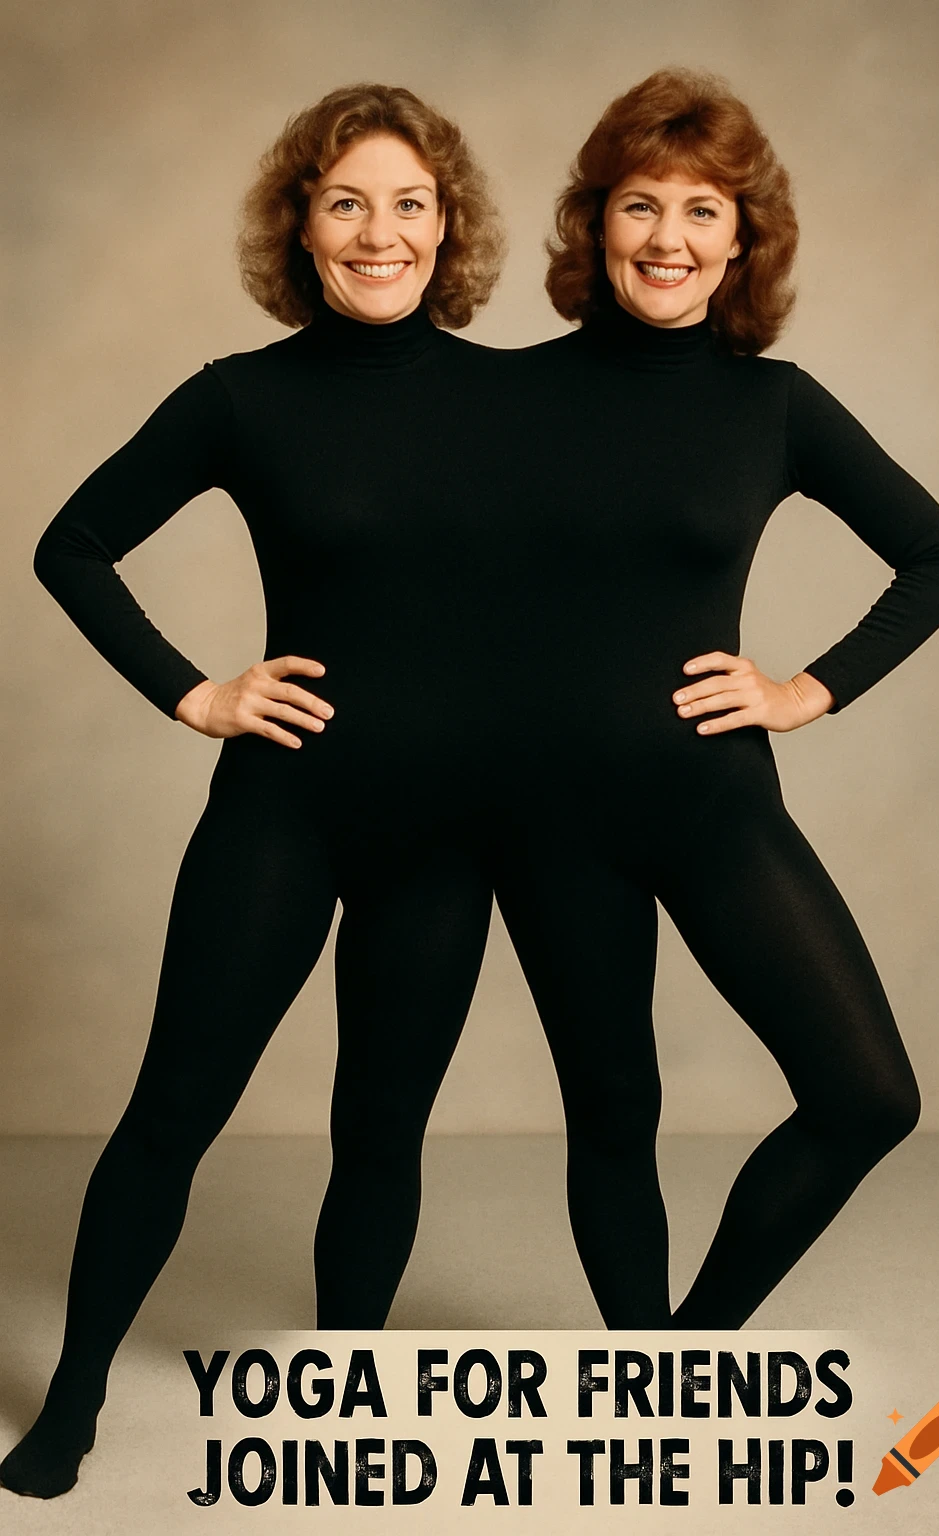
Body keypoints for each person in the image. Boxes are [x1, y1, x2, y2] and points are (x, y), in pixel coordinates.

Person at [0, 82, 506, 1500]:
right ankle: (76, 1403)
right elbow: (74, 542)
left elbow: (595, 579)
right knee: (172, 1112)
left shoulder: (515, 395)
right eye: (347, 199)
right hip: (280, 815)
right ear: (301, 221)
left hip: (448, 839)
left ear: (447, 222)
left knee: (380, 1130)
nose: (380, 231)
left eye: (409, 202)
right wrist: (195, 691)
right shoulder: (243, 398)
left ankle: (346, 1402)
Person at [490, 66, 939, 1329]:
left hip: (709, 801)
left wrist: (808, 690)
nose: (669, 239)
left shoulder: (774, 406)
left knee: (866, 1094)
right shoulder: (502, 398)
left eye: (704, 211)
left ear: (743, 239)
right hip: (543, 818)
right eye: (642, 205)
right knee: (612, 1113)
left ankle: (692, 1351)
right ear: (596, 225)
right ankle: (640, 1385)